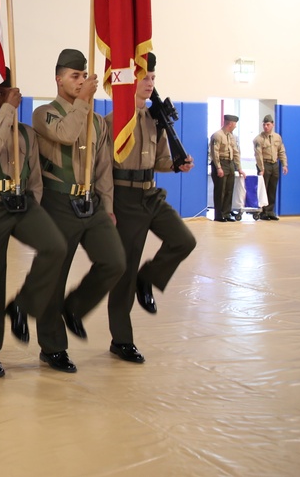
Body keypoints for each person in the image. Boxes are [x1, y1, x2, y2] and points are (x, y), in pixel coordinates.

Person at [0, 69, 67, 378]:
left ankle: (22, 304)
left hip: (22, 205)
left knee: (55, 247)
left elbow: (34, 175)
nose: (9, 96)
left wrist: (32, 204)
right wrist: (8, 109)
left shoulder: (26, 132)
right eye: (0, 93)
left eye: (11, 92)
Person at [30, 49, 125, 373]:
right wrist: (84, 101)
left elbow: (103, 169)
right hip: (57, 203)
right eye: (74, 76)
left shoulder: (98, 121)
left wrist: (108, 206)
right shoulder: (44, 114)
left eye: (84, 76)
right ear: (58, 79)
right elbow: (66, 134)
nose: (81, 81)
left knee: (115, 261)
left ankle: (74, 308)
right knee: (54, 277)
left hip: (91, 202)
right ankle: (52, 347)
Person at [106, 53, 197, 364]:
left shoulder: (154, 119)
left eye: (153, 78)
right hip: (123, 198)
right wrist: (107, 205)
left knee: (185, 240)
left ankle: (149, 279)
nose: (150, 84)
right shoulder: (113, 122)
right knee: (124, 270)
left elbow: (158, 161)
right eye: (144, 78)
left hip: (150, 193)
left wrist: (176, 165)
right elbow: (102, 168)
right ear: (130, 81)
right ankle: (121, 340)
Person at [209, 114, 244, 222]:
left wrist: (239, 168)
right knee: (221, 191)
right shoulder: (217, 135)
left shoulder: (231, 136)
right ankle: (219, 215)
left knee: (229, 190)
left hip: (230, 164)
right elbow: (214, 153)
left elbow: (236, 152)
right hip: (221, 164)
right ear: (230, 124)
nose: (235, 126)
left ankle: (227, 213)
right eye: (235, 124)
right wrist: (218, 168)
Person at [253, 114, 287, 221]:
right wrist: (261, 169)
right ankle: (263, 212)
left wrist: (284, 164)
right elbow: (258, 155)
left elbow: (281, 151)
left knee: (272, 188)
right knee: (264, 188)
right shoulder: (259, 139)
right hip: (264, 165)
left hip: (274, 164)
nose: (266, 127)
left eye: (268, 124)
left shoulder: (277, 137)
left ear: (273, 124)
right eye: (264, 125)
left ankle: (270, 211)